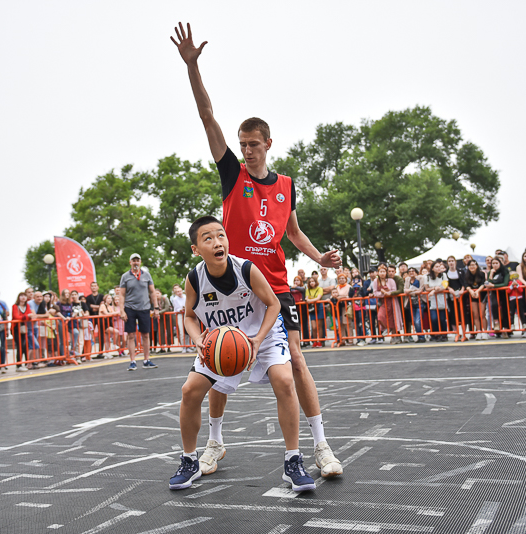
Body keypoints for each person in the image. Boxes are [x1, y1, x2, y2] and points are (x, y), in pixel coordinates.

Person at [172, 22, 342, 478]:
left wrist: (318, 257)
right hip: (232, 285)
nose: (246, 151)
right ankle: (214, 443)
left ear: (268, 143)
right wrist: (192, 68)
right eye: (242, 145)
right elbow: (207, 116)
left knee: (296, 364)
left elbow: (293, 233)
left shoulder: (286, 185)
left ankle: (321, 446)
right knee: (219, 360)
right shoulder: (233, 176)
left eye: (253, 145)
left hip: (274, 286)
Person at [169, 216, 314, 492]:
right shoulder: (194, 279)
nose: (217, 242)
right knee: (189, 390)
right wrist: (197, 338)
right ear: (196, 249)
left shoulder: (246, 269)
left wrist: (257, 340)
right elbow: (189, 316)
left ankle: (293, 460)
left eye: (220, 235)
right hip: (221, 339)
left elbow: (273, 304)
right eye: (208, 238)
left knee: (285, 381)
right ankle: (189, 460)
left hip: (263, 333)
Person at [116, 253, 159, 370]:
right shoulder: (125, 276)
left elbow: (152, 292)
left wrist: (156, 308)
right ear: (130, 262)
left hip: (144, 308)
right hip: (130, 308)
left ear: (140, 262)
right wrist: (122, 311)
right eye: (133, 260)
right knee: (131, 335)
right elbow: (122, 295)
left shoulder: (146, 275)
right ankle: (132, 361)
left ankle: (146, 360)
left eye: (137, 260)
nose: (135, 262)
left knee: (146, 334)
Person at [422, 260, 450, 341]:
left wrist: (434, 290)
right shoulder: (427, 277)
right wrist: (435, 288)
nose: (438, 268)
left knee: (442, 318)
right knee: (434, 318)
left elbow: (444, 286)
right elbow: (427, 288)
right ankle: (436, 334)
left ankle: (444, 334)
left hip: (442, 298)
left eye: (439, 267)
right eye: (436, 267)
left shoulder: (443, 275)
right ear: (432, 268)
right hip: (432, 300)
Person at [463, 259, 487, 340]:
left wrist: (477, 291)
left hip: (481, 295)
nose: (472, 267)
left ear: (477, 266)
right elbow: (466, 284)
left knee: (482, 314)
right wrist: (471, 291)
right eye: (470, 265)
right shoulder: (466, 275)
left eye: (473, 265)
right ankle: (479, 331)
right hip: (472, 296)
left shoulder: (481, 274)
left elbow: (483, 284)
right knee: (475, 314)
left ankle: (485, 331)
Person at [11, 292, 36, 372]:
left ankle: (26, 363)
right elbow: (16, 317)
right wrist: (26, 316)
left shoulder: (27, 306)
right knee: (20, 346)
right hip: (16, 328)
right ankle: (19, 365)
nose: (23, 297)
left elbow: (30, 316)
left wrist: (26, 317)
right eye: (21, 296)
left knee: (25, 345)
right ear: (18, 297)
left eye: (24, 296)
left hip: (24, 327)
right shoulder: (15, 306)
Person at [85, 282, 105, 353]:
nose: (94, 287)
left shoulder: (102, 296)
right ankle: (88, 352)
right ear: (90, 288)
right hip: (91, 318)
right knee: (89, 334)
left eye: (95, 286)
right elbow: (88, 307)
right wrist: (98, 307)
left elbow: (103, 306)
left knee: (101, 334)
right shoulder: (88, 297)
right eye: (92, 286)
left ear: (97, 287)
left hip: (100, 317)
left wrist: (93, 306)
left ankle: (101, 351)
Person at [304, 276, 324, 347]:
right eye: (310, 282)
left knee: (319, 326)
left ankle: (320, 341)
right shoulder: (308, 290)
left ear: (316, 282)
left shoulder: (319, 289)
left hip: (319, 307)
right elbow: (306, 298)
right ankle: (315, 341)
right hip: (312, 308)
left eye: (313, 281)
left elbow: (318, 298)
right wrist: (310, 300)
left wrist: (310, 300)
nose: (312, 283)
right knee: (314, 327)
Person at [171, 284, 191, 353]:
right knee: (182, 332)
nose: (179, 293)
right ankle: (183, 346)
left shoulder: (185, 297)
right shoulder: (175, 299)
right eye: (177, 292)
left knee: (188, 331)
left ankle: (188, 346)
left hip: (186, 314)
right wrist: (180, 309)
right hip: (179, 315)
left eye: (180, 291)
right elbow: (175, 309)